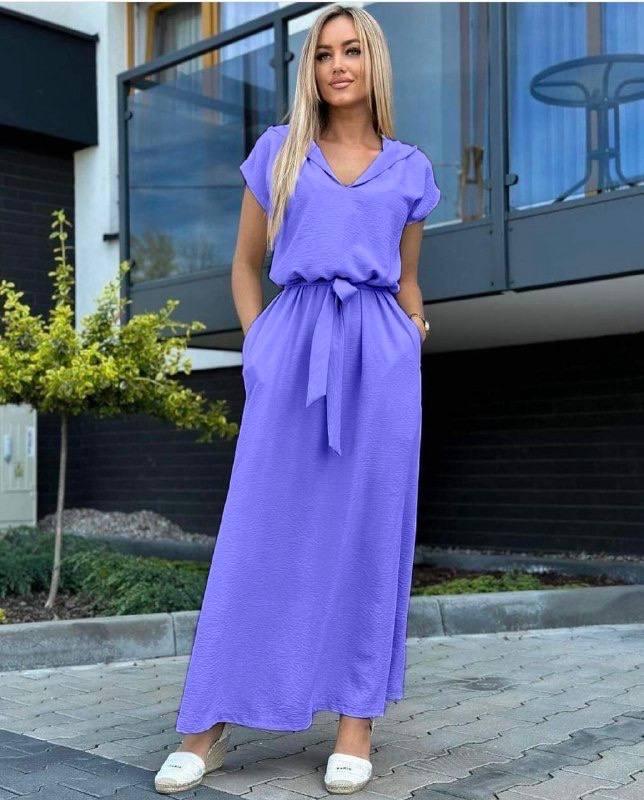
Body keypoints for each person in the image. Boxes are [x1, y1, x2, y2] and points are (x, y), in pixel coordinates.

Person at [154, 4, 440, 795]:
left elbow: (408, 278)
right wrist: (262, 351)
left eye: (351, 51)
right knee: (260, 532)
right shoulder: (280, 152)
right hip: (294, 350)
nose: (337, 66)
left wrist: (412, 333)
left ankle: (355, 723)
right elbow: (246, 265)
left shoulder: (410, 169)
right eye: (322, 54)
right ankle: (206, 725)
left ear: (374, 63)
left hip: (380, 362)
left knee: (371, 535)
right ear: (308, 69)